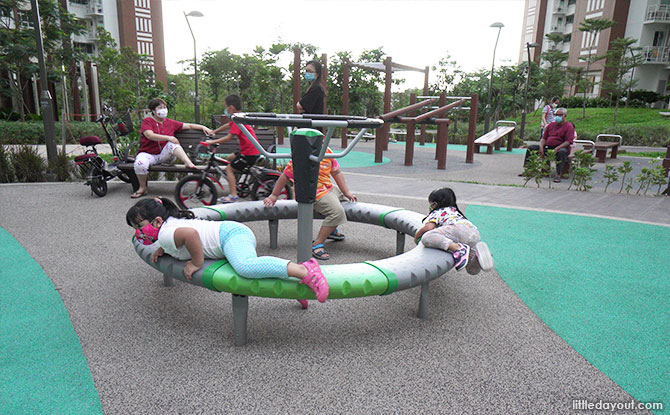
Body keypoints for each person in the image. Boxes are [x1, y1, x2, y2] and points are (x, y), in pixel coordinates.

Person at [127, 197, 328, 303]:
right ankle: (298, 288)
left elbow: (190, 235)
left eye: (139, 226)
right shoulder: (168, 227)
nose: (139, 232)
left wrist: (196, 263)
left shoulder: (165, 232)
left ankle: (306, 270)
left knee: (246, 268)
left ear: (157, 221)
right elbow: (177, 237)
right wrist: (164, 249)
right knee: (255, 270)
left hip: (231, 235)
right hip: (229, 235)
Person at [263, 148, 355, 261]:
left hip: (328, 188)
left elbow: (336, 172)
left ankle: (331, 229)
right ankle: (317, 244)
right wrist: (274, 194)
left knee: (347, 200)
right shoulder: (302, 152)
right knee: (337, 213)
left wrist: (346, 192)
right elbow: (286, 175)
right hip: (315, 193)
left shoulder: (327, 151)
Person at [132, 98, 213, 198]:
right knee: (140, 164)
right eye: (160, 108)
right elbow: (149, 135)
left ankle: (188, 163)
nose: (163, 110)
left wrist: (203, 127)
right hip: (149, 154)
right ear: (153, 111)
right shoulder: (148, 121)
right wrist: (168, 137)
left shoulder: (170, 123)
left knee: (171, 144)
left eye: (165, 107)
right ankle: (142, 188)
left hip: (165, 156)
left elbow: (189, 126)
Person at [414, 188, 493, 275]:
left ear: (434, 204)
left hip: (457, 230)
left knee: (427, 237)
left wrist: (417, 236)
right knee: (471, 270)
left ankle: (458, 248)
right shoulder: (455, 211)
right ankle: (477, 259)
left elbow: (428, 228)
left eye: (430, 205)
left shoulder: (437, 212)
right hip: (474, 232)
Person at [205, 94, 260, 203]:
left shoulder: (238, 119)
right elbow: (227, 126)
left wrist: (212, 142)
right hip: (249, 151)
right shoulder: (238, 117)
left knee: (229, 169)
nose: (225, 110)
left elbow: (229, 137)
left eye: (226, 107)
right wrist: (214, 132)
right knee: (230, 157)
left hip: (249, 154)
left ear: (231, 108)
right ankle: (239, 178)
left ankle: (233, 195)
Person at [521, 107, 575, 183]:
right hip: (548, 147)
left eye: (560, 115)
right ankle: (529, 170)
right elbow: (544, 138)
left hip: (561, 148)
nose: (557, 117)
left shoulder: (569, 126)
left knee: (561, 152)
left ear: (564, 116)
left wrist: (557, 148)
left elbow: (568, 141)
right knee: (531, 148)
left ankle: (558, 174)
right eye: (556, 115)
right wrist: (541, 147)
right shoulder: (551, 125)